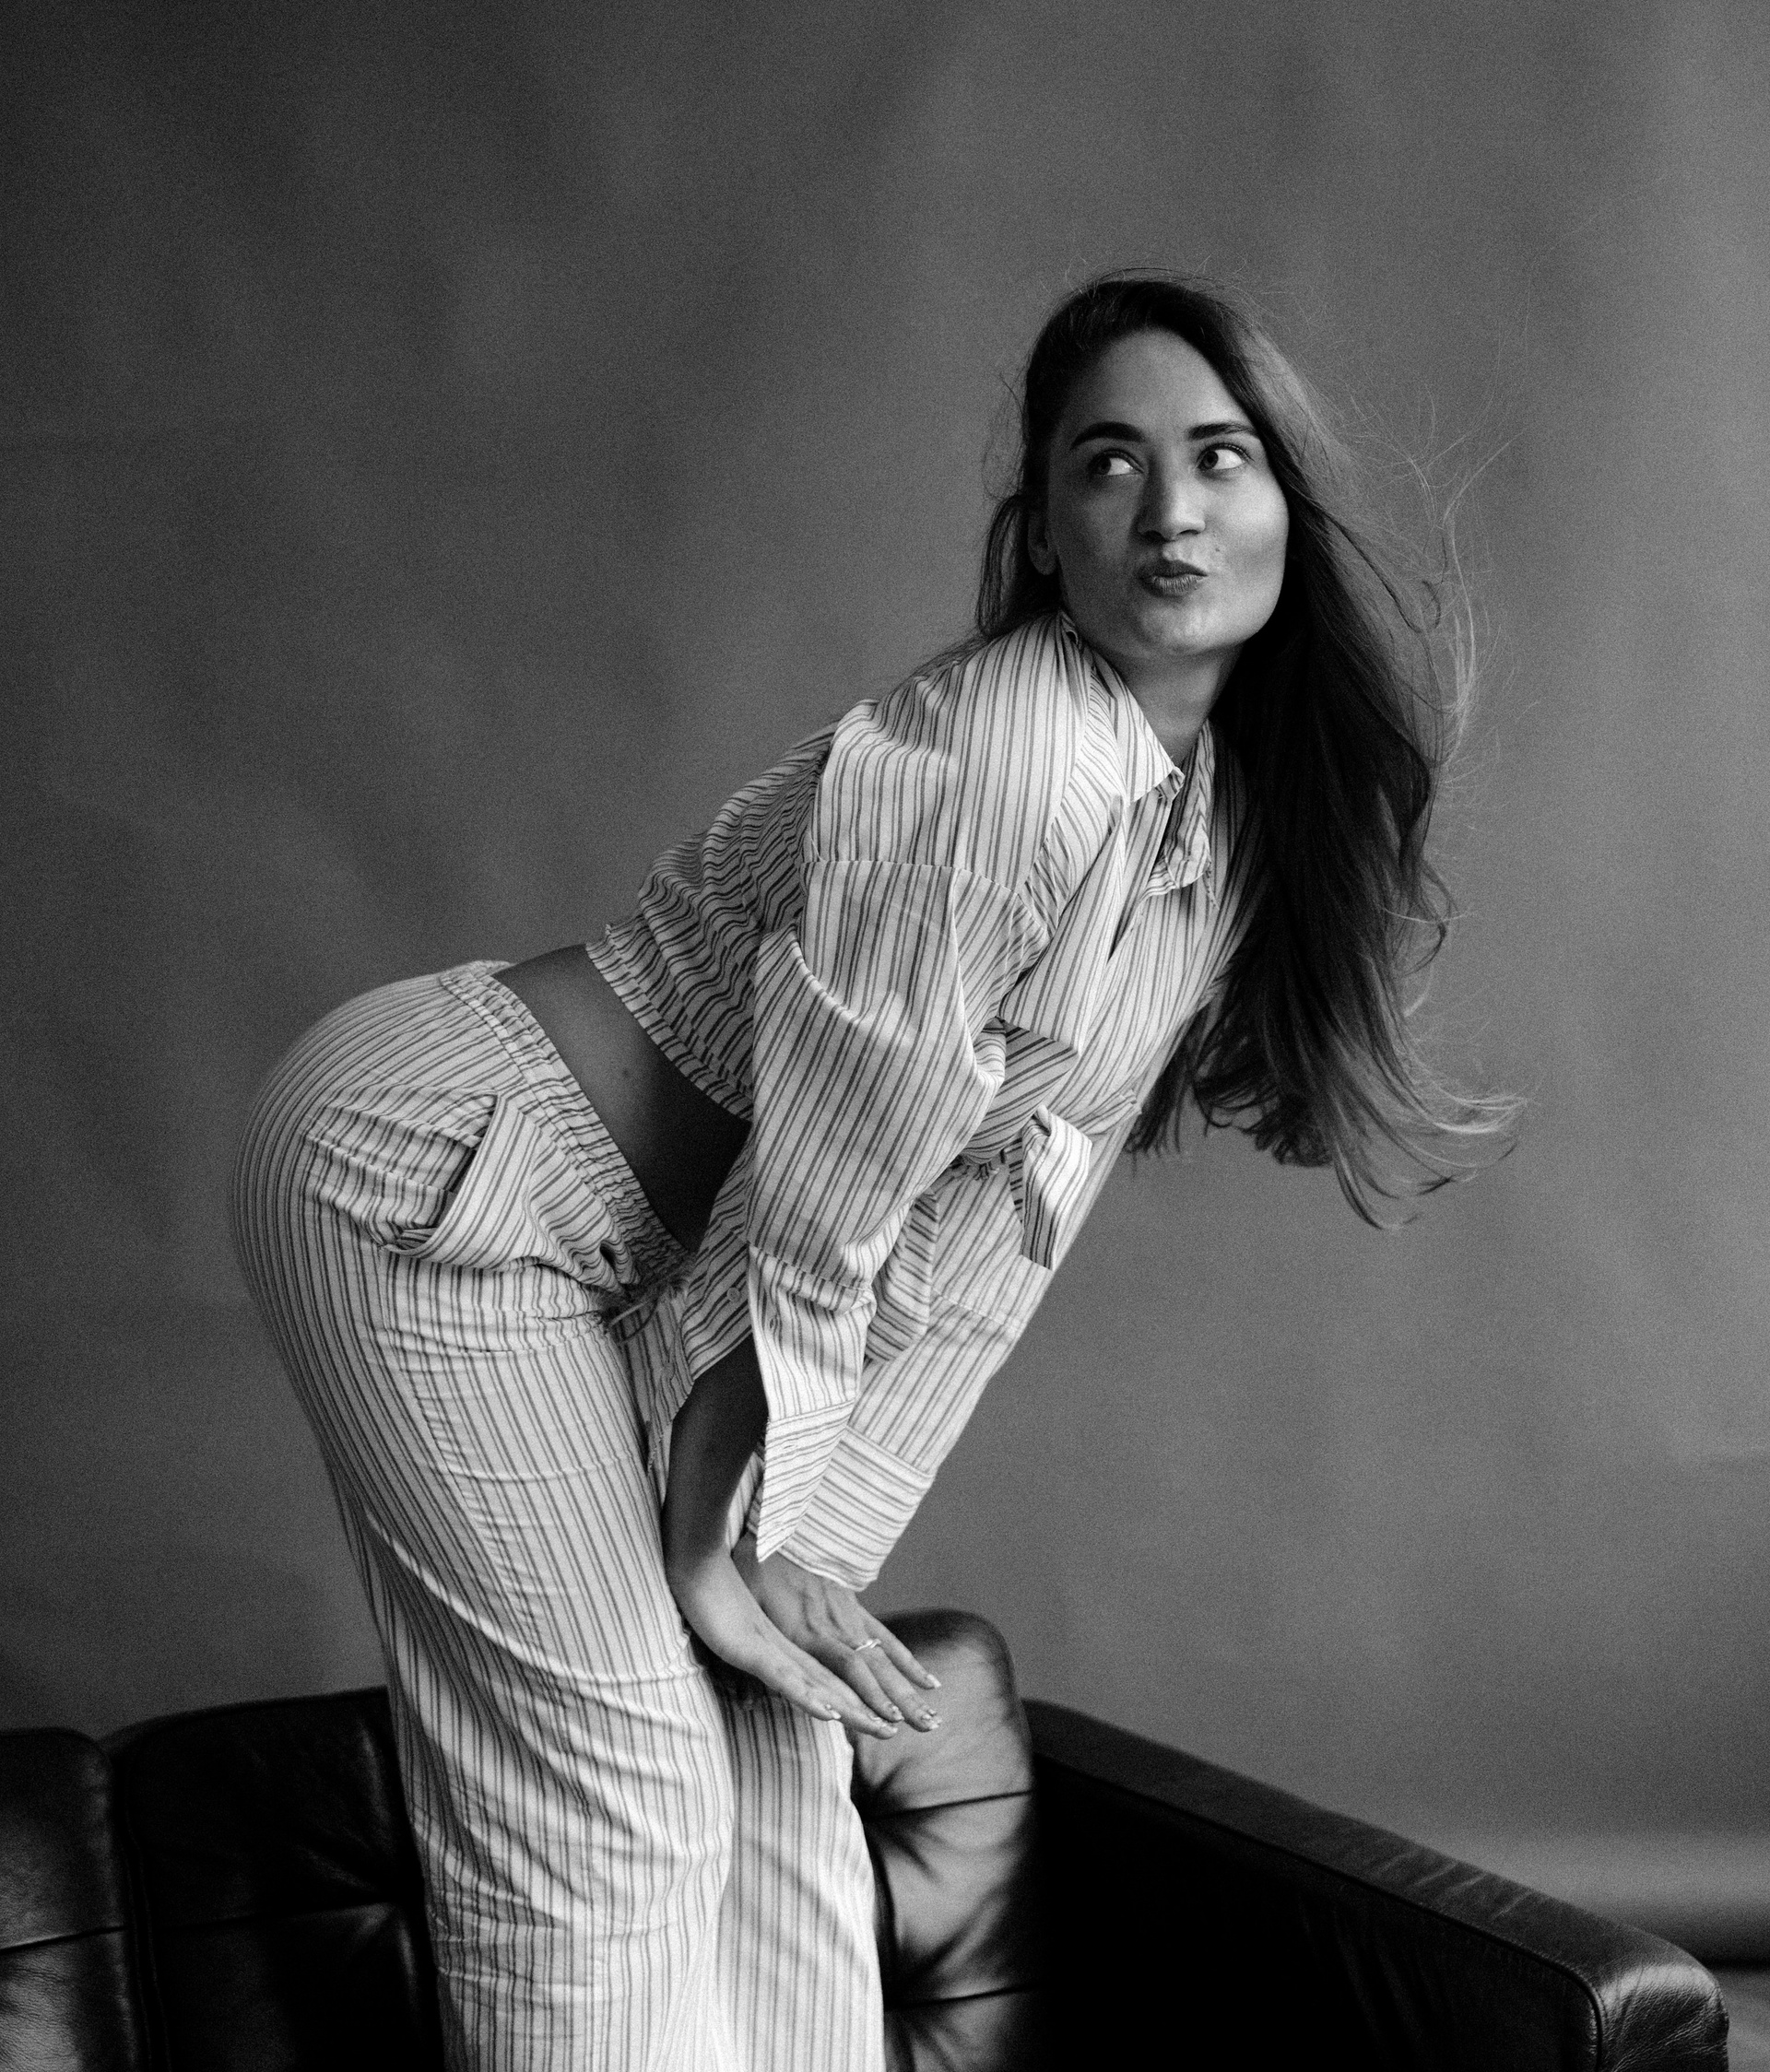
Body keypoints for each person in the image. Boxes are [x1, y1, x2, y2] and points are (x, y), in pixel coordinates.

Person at [230, 272, 1510, 2070]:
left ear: (1286, 499)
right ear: (1044, 533)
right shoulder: (1016, 758)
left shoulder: (1209, 826)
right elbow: (827, 1204)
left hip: (638, 1264)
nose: (1170, 508)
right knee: (626, 1791)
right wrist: (715, 1545)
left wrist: (790, 1560)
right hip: (441, 1183)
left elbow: (977, 1250)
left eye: (1220, 456)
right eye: (1109, 462)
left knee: (781, 1745)